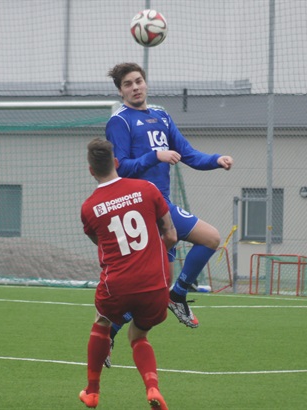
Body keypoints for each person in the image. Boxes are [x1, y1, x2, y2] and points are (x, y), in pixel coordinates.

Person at [105, 62, 233, 330]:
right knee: (149, 288)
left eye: (138, 81)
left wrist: (215, 160)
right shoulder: (120, 121)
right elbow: (121, 168)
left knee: (205, 243)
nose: (135, 87)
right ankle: (113, 329)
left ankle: (174, 296)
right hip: (140, 208)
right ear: (120, 91)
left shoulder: (161, 116)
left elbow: (188, 153)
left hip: (162, 206)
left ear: (146, 83)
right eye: (128, 84)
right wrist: (156, 156)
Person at [79, 138, 176, 410]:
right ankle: (152, 387)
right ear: (116, 162)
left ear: (91, 170)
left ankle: (92, 391)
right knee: (139, 335)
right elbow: (171, 234)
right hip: (155, 284)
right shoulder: (147, 188)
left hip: (118, 285)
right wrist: (153, 254)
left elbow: (102, 243)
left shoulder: (89, 208)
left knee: (102, 322)